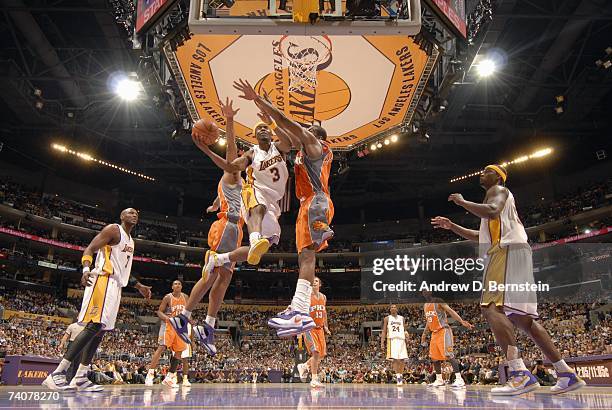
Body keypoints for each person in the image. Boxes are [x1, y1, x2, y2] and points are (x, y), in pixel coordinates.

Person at [431, 164, 586, 395]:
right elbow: (480, 236)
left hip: (506, 252)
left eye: (487, 170)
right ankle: (565, 373)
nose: (482, 173)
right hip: (516, 251)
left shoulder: (498, 191)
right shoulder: (495, 212)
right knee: (524, 320)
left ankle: (519, 374)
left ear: (498, 176)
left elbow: (492, 210)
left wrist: (462, 203)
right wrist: (452, 226)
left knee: (490, 307)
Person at [232, 79, 334, 335]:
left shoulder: (315, 147)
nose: (305, 132)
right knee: (305, 257)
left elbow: (291, 126)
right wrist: (269, 118)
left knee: (308, 256)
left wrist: (259, 99)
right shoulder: (303, 152)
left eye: (309, 130)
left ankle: (300, 311)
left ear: (316, 136)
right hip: (307, 206)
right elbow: (285, 134)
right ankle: (299, 310)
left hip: (316, 201)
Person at [42, 208, 151, 392]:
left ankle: (80, 377)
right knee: (94, 325)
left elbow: (121, 269)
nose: (134, 215)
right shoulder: (113, 230)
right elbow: (90, 249)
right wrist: (85, 270)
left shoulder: (131, 240)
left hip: (116, 286)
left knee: (100, 331)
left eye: (136, 213)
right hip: (102, 281)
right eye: (130, 212)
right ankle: (57, 374)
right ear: (122, 216)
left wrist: (138, 286)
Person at [169, 99, 245, 355]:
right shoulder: (232, 173)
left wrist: (214, 204)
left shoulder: (235, 182)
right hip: (227, 228)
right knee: (214, 274)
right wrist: (230, 122)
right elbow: (231, 152)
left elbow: (225, 195)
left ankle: (208, 326)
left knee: (224, 278)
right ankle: (184, 317)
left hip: (233, 229)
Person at [421, 291, 474, 388]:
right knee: (434, 358)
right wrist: (424, 334)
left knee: (449, 355)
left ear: (431, 291)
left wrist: (461, 321)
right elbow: (429, 321)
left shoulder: (438, 301)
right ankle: (439, 380)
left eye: (427, 290)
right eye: (423, 291)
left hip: (443, 331)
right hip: (434, 333)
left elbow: (450, 311)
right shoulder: (425, 305)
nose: (425, 292)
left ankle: (459, 379)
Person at [146, 280, 192, 387]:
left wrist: (190, 322)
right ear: (172, 287)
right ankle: (150, 375)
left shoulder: (185, 297)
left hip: (181, 326)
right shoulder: (168, 297)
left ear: (181, 286)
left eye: (179, 284)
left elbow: (188, 312)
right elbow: (159, 312)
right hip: (169, 325)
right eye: (175, 284)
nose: (177, 285)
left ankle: (169, 378)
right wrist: (167, 318)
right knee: (161, 347)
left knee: (179, 351)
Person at [296, 277, 331, 388]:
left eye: (316, 281)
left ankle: (304, 365)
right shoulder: (306, 298)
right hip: (309, 327)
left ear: (320, 284)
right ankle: (314, 379)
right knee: (315, 352)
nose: (313, 282)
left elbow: (324, 313)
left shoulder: (323, 297)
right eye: (312, 281)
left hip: (320, 329)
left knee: (321, 356)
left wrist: (326, 326)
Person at [381, 305, 410, 386]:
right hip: (392, 339)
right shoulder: (387, 318)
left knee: (402, 360)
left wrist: (406, 334)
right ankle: (398, 378)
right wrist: (382, 342)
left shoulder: (402, 318)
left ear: (397, 309)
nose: (393, 308)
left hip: (401, 339)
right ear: (390, 310)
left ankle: (400, 376)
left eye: (395, 307)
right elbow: (384, 331)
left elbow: (404, 329)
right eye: (391, 307)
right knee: (395, 360)